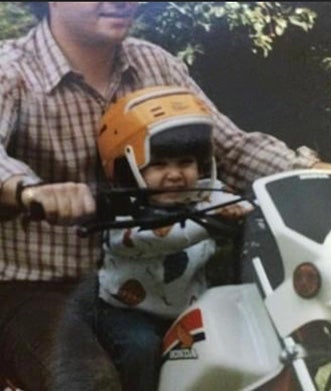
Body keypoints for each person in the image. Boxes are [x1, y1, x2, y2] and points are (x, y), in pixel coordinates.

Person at [0, 2, 331, 390]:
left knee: (268, 350)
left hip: (154, 280)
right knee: (89, 381)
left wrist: (315, 171)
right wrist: (27, 188)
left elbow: (230, 147)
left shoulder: (155, 65)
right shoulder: (13, 69)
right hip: (42, 287)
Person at [51, 85, 255, 391]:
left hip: (188, 308)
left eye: (185, 162)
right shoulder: (123, 213)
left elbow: (236, 205)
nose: (174, 174)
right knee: (142, 349)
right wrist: (210, 223)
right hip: (126, 312)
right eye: (159, 164)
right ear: (128, 167)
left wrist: (247, 209)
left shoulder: (205, 195)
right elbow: (156, 239)